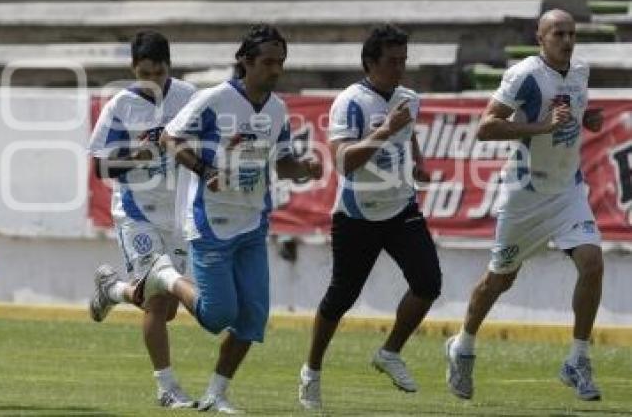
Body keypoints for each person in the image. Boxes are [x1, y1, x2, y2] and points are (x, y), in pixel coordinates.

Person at [106, 24, 322, 413]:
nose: (276, 69)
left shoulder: (277, 108)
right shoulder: (214, 99)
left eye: (281, 62)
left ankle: (216, 393)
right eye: (269, 62)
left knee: (253, 317)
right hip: (209, 222)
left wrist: (304, 166)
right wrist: (206, 171)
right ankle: (165, 277)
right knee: (216, 315)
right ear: (246, 62)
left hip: (253, 222)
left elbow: (284, 163)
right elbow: (171, 139)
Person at [445, 9, 605, 401]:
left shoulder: (581, 71)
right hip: (525, 194)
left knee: (592, 262)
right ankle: (462, 346)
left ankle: (577, 360)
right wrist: (541, 127)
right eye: (557, 34)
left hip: (568, 191)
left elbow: (571, 115)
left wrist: (589, 120)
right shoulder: (524, 75)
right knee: (501, 279)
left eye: (570, 33)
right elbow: (486, 126)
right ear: (540, 38)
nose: (566, 41)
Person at [298, 24, 442, 410]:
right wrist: (384, 131)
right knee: (341, 297)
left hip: (401, 206)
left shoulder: (408, 97)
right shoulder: (350, 102)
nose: (400, 69)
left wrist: (420, 164)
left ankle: (390, 352)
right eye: (392, 62)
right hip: (357, 214)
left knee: (428, 283)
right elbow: (344, 163)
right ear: (369, 63)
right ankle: (311, 371)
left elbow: (407, 133)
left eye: (403, 61)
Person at [87, 30, 198, 409]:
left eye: (159, 71)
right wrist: (136, 156)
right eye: (144, 72)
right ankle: (167, 388)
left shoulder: (189, 97)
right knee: (155, 301)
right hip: (137, 212)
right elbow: (100, 165)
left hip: (178, 213)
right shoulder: (120, 105)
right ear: (133, 69)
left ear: (170, 65)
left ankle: (113, 290)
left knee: (167, 310)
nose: (152, 79)